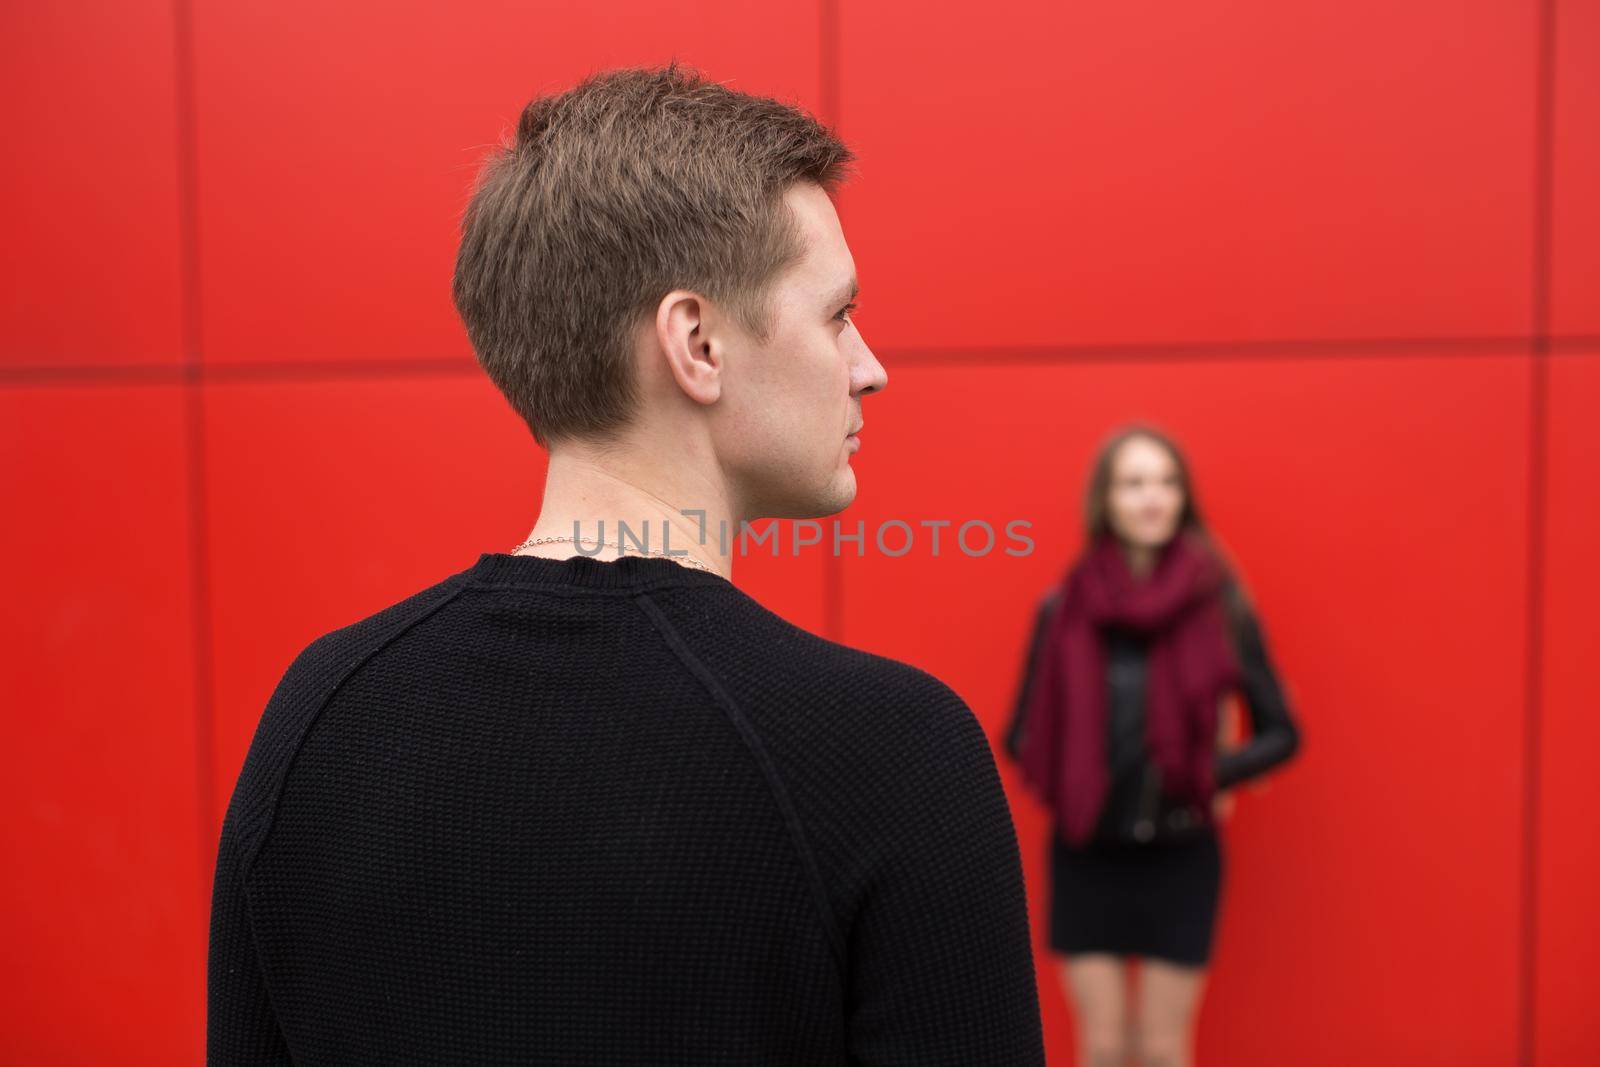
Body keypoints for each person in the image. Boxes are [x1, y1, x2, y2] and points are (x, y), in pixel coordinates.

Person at [206, 61, 1045, 1064]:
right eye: (836, 314)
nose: (869, 366)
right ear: (696, 342)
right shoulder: (887, 752)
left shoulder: (321, 713)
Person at [1005, 423, 1300, 1067]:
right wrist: (1079, 781)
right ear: (1106, 500)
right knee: (1104, 1047)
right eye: (1133, 483)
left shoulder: (1222, 608)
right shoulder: (1064, 609)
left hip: (1182, 853)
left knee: (1164, 1051)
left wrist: (1210, 773)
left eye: (1166, 483)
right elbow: (1022, 733)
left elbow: (1282, 732)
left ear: (1183, 498)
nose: (1151, 498)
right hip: (1087, 851)